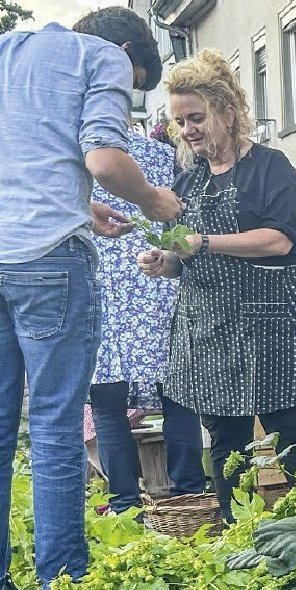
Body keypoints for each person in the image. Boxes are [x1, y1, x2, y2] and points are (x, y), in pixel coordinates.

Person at [0, 7, 183, 587]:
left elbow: (23, 160)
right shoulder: (100, 56)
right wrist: (154, 201)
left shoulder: (5, 52)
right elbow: (104, 157)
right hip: (51, 259)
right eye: (133, 88)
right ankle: (63, 580)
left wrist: (81, 204)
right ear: (129, 53)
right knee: (55, 429)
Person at [136, 49, 296, 521]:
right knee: (226, 442)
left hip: (270, 325)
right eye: (179, 122)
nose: (187, 130)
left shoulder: (271, 167)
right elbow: (188, 257)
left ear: (227, 110)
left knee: (290, 433)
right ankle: (237, 533)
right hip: (209, 331)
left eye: (196, 117)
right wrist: (168, 262)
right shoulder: (189, 179)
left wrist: (204, 242)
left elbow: (281, 241)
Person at [88, 129, 206, 515]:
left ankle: (124, 506)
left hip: (101, 286)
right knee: (178, 395)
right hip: (155, 280)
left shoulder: (81, 155)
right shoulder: (160, 155)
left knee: (107, 400)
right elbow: (181, 213)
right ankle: (189, 495)